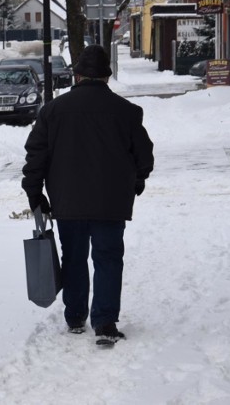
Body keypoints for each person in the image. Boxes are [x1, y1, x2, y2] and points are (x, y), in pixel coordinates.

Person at [21, 44, 154, 342]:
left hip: (68, 201)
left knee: (74, 257)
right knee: (108, 258)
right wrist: (138, 178)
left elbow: (36, 156)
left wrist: (35, 193)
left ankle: (75, 316)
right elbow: (144, 155)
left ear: (77, 75)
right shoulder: (127, 112)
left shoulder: (52, 111)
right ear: (106, 77)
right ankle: (105, 322)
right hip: (111, 202)